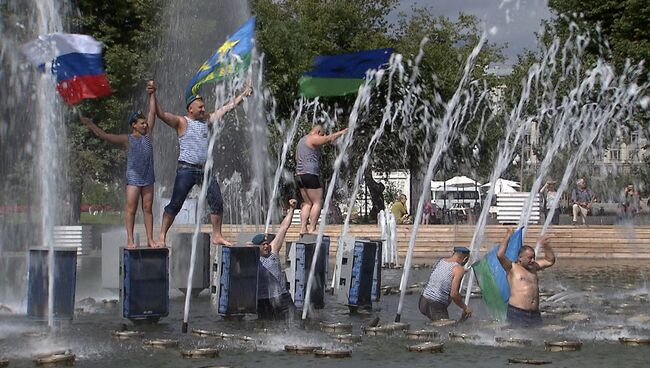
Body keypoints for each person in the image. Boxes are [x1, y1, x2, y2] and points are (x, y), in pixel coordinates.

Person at [151, 80, 252, 246]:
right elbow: (160, 114)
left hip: (205, 170)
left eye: (204, 107)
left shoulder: (207, 120)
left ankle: (217, 235)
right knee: (176, 204)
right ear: (190, 108)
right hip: (186, 169)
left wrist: (243, 94)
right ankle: (161, 235)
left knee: (217, 201)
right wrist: (152, 94)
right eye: (201, 107)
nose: (204, 109)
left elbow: (227, 108)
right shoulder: (181, 122)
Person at [78, 81, 156, 248]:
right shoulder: (127, 139)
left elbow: (152, 112)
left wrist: (151, 95)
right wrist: (91, 125)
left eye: (145, 123)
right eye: (141, 123)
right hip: (133, 179)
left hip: (148, 178)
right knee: (131, 208)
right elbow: (105, 136)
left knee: (148, 208)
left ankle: (150, 239)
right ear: (133, 125)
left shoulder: (148, 136)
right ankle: (130, 239)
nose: (145, 124)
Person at [295, 124, 347, 234]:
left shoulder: (301, 141)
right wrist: (342, 132)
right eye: (322, 135)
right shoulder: (312, 138)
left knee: (307, 203)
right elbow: (328, 139)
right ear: (318, 132)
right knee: (317, 202)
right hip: (310, 174)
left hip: (299, 175)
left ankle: (303, 228)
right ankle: (312, 228)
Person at [497, 229, 555, 327]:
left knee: (537, 339)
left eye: (533, 257)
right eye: (529, 258)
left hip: (534, 313)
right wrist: (508, 236)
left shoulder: (534, 267)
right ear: (520, 257)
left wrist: (546, 246)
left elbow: (550, 261)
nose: (532, 260)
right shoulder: (512, 268)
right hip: (517, 312)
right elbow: (500, 255)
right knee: (517, 339)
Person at [251, 199, 298, 320]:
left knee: (294, 322)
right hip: (263, 300)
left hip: (282, 296)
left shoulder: (273, 251)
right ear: (256, 247)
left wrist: (292, 209)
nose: (266, 246)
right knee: (266, 327)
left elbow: (284, 228)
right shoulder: (253, 259)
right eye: (262, 245)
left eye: (267, 243)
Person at [419, 246, 472, 321]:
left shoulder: (441, 261)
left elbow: (444, 274)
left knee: (437, 326)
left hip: (423, 301)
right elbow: (454, 294)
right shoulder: (458, 269)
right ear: (465, 259)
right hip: (435, 305)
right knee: (446, 330)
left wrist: (461, 272)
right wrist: (465, 308)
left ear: (453, 253)